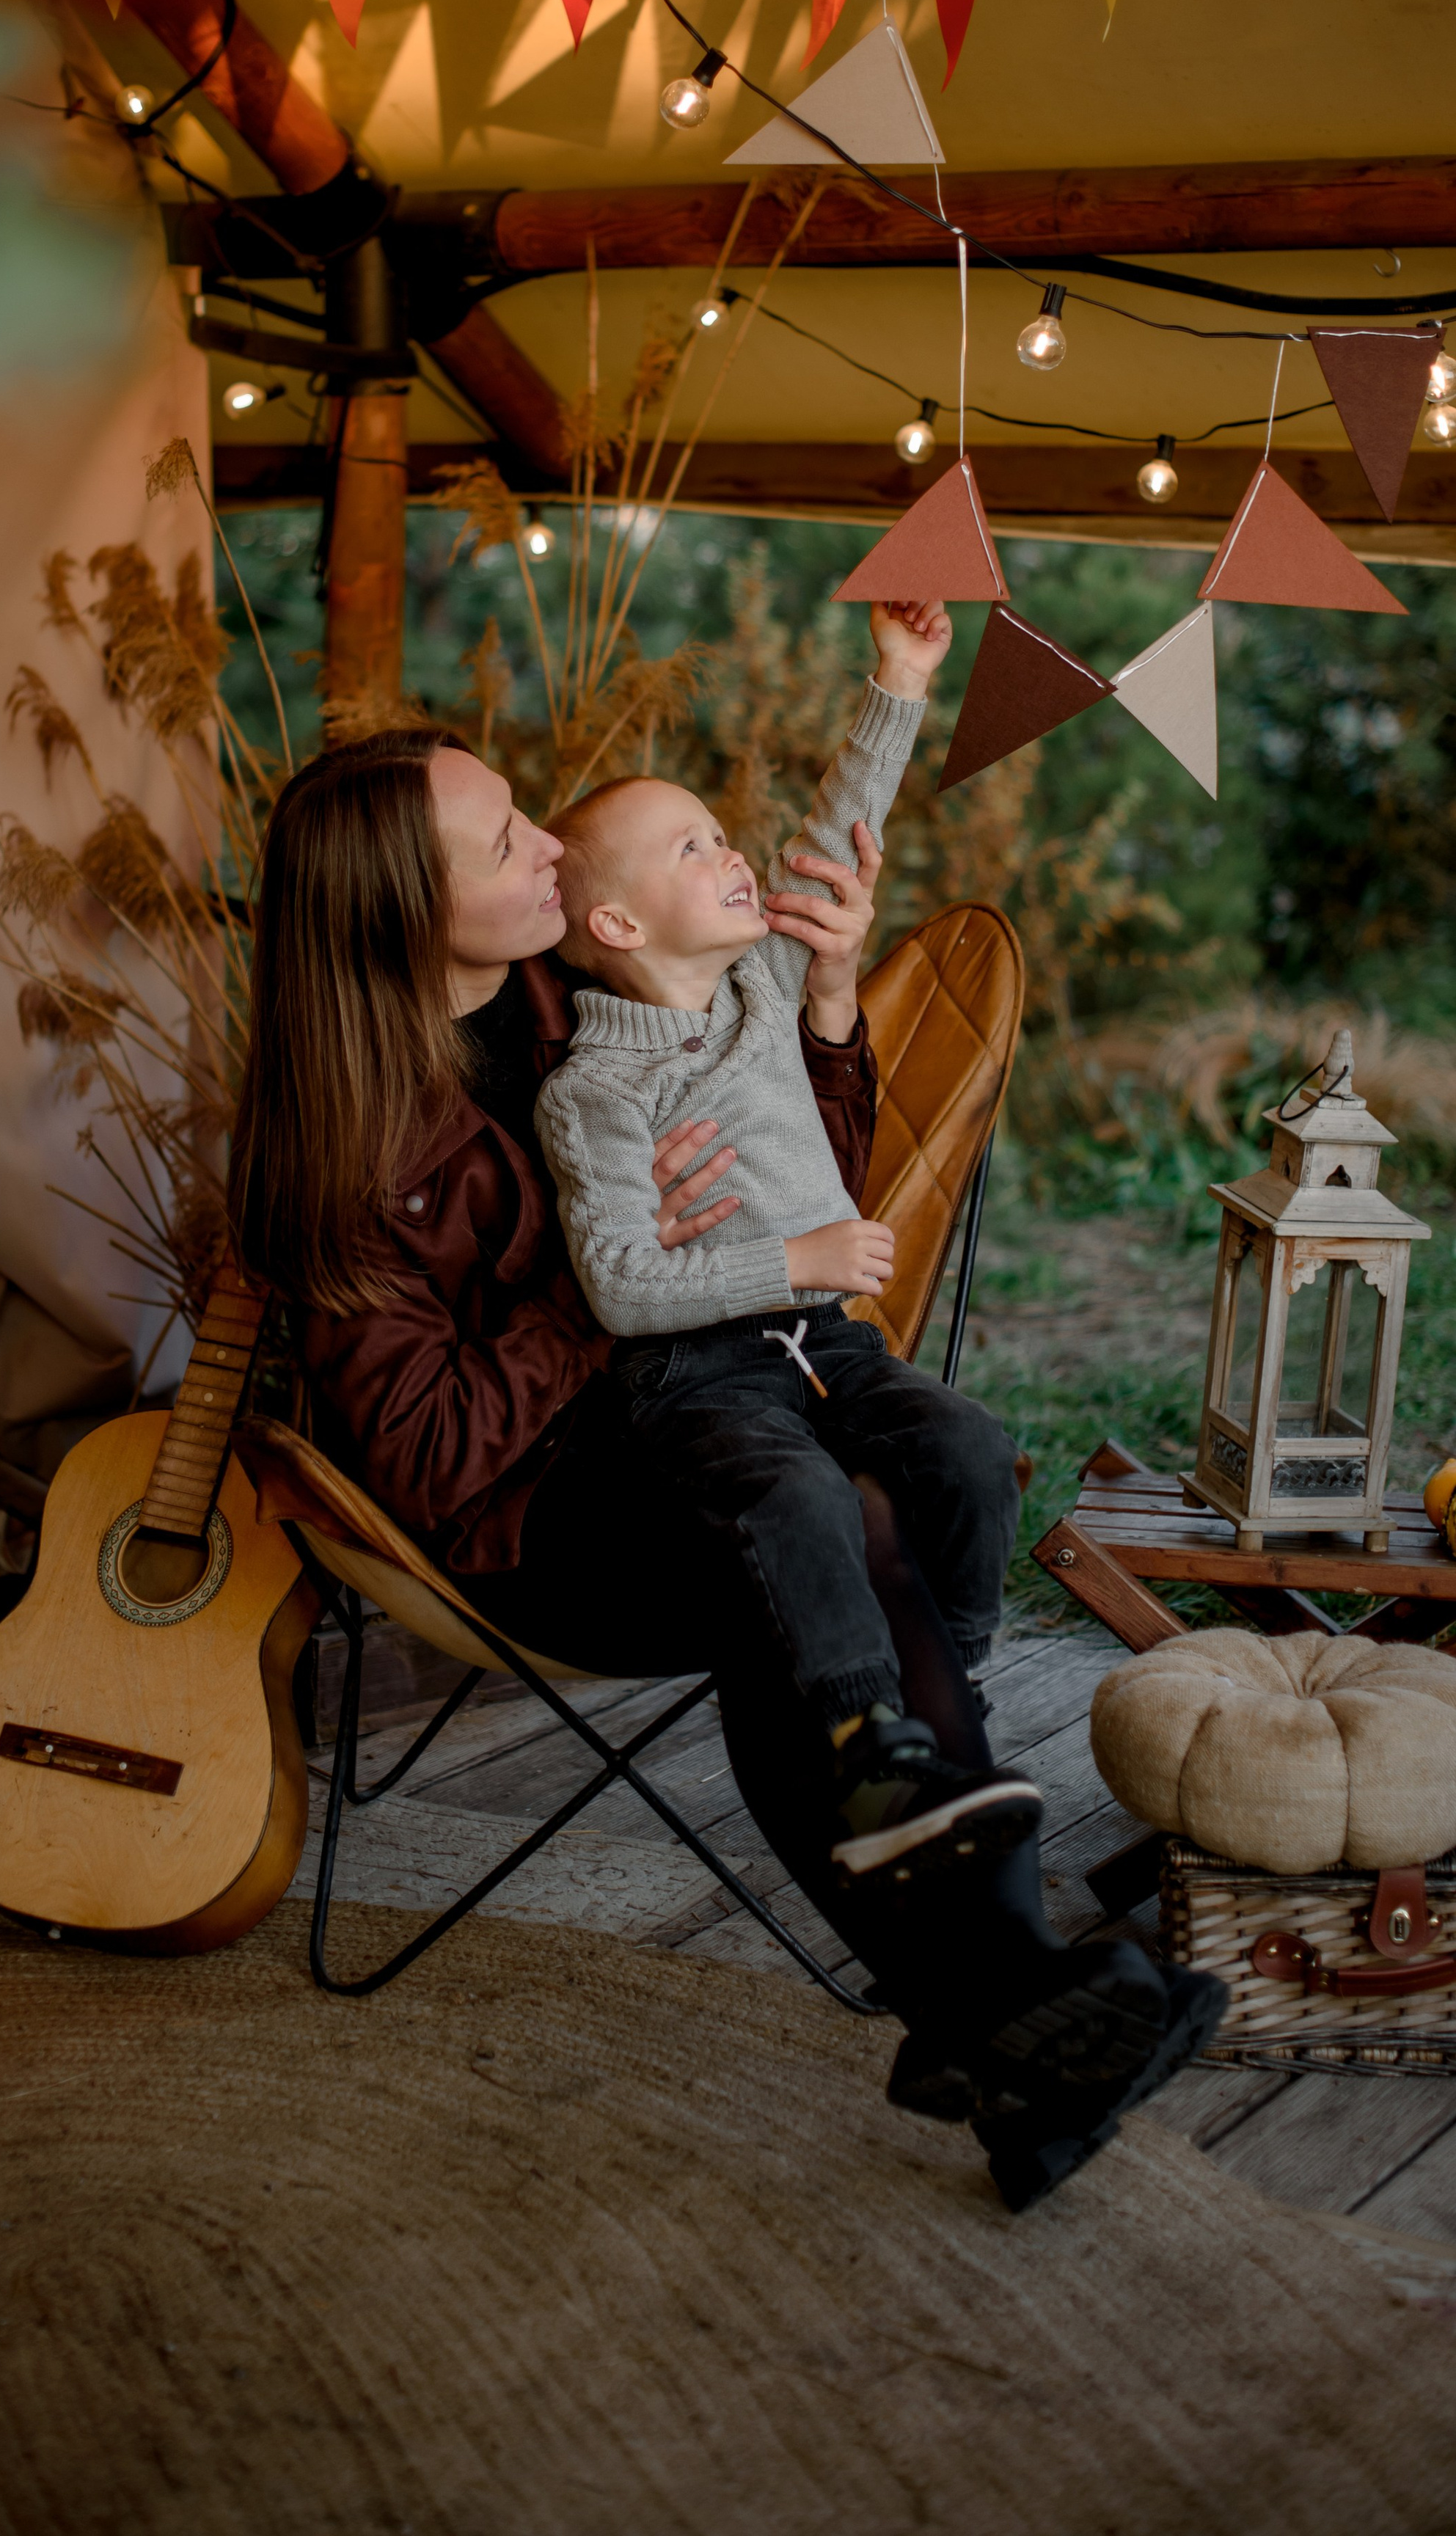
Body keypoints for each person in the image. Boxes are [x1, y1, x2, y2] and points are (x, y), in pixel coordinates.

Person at [228, 615, 1225, 2212]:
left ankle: (1002, 2028)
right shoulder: (343, 1150)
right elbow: (423, 1462)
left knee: (853, 1509)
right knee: (806, 1535)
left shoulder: (573, 990)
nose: (547, 844)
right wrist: (595, 1293)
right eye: (505, 839)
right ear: (407, 911)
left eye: (529, 818)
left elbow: (785, 1167)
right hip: (539, 1520)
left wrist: (825, 1000)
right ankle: (1006, 2006)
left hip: (711, 1409)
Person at [534, 599, 1042, 1891]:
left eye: (721, 833)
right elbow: (623, 1287)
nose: (732, 854)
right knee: (799, 1495)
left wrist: (899, 679)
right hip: (696, 1376)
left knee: (969, 1448)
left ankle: (951, 1681)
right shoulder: (592, 1093)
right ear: (620, 927)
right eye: (693, 848)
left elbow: (836, 831)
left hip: (828, 1347)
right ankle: (868, 1746)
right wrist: (800, 1260)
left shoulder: (762, 984)